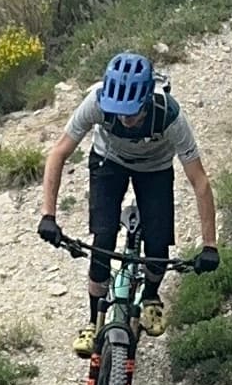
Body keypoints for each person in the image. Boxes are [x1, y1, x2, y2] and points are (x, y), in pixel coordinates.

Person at [38, 47, 218, 348]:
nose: (124, 119)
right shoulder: (96, 101)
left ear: (146, 100)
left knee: (158, 245)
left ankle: (151, 295)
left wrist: (210, 244)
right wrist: (48, 215)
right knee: (103, 239)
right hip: (108, 161)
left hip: (155, 168)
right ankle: (93, 321)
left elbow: (199, 181)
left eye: (132, 112)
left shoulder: (169, 115)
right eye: (118, 111)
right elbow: (58, 153)